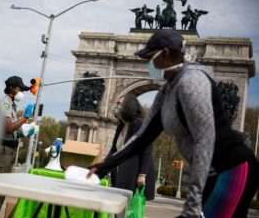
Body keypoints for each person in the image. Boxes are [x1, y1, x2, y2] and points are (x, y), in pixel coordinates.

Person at [87, 29, 259, 218]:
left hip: (232, 170)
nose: (148, 63)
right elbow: (142, 137)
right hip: (212, 173)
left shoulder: (193, 81)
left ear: (166, 54)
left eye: (150, 57)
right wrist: (103, 167)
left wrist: (192, 203)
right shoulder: (167, 90)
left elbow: (205, 141)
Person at [0, 76, 34, 218]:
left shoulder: (12, 105)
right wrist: (25, 118)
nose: (21, 91)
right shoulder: (5, 104)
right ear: (11, 88)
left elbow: (11, 131)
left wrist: (25, 131)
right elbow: (8, 128)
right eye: (19, 88)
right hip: (0, 153)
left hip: (7, 152)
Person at [109, 93, 155, 218]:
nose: (116, 106)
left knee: (128, 210)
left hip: (134, 174)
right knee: (119, 211)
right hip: (120, 173)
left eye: (120, 103)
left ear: (129, 105)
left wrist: (142, 174)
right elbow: (114, 150)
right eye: (117, 103)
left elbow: (146, 149)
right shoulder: (121, 126)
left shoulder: (138, 123)